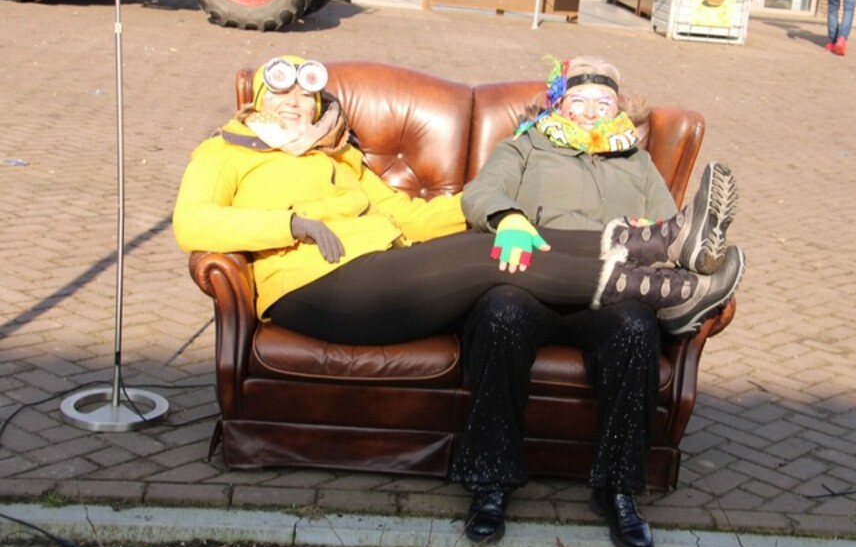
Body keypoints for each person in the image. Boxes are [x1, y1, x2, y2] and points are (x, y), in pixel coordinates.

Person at [173, 55, 743, 350]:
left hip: (380, 267)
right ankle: (667, 289)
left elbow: (409, 216)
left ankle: (660, 245)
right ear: (259, 100)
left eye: (306, 96)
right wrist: (289, 224)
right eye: (282, 93)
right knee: (497, 255)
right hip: (312, 287)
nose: (295, 104)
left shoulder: (339, 157)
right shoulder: (228, 150)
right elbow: (191, 222)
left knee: (507, 236)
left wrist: (501, 206)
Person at [449, 56, 744, 547]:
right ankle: (490, 481)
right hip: (535, 282)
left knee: (635, 327)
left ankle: (618, 488)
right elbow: (482, 191)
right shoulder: (525, 145)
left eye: (602, 103)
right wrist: (508, 217)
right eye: (579, 101)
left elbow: (672, 228)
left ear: (619, 110)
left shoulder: (638, 161)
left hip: (610, 291)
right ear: (558, 104)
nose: (589, 112)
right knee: (500, 315)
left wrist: (650, 229)